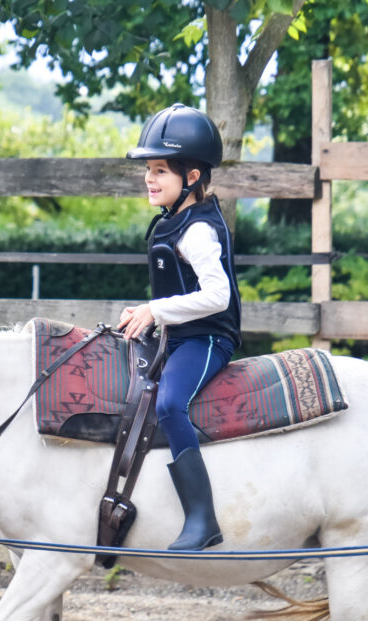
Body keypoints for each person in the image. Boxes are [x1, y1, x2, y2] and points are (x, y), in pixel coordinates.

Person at [116, 103, 242, 551]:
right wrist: (148, 312)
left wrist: (156, 309)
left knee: (170, 403)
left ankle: (201, 518)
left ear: (191, 177)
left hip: (207, 339)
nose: (150, 179)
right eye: (148, 170)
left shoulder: (198, 231)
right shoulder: (171, 220)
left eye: (161, 171)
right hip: (177, 334)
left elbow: (217, 296)